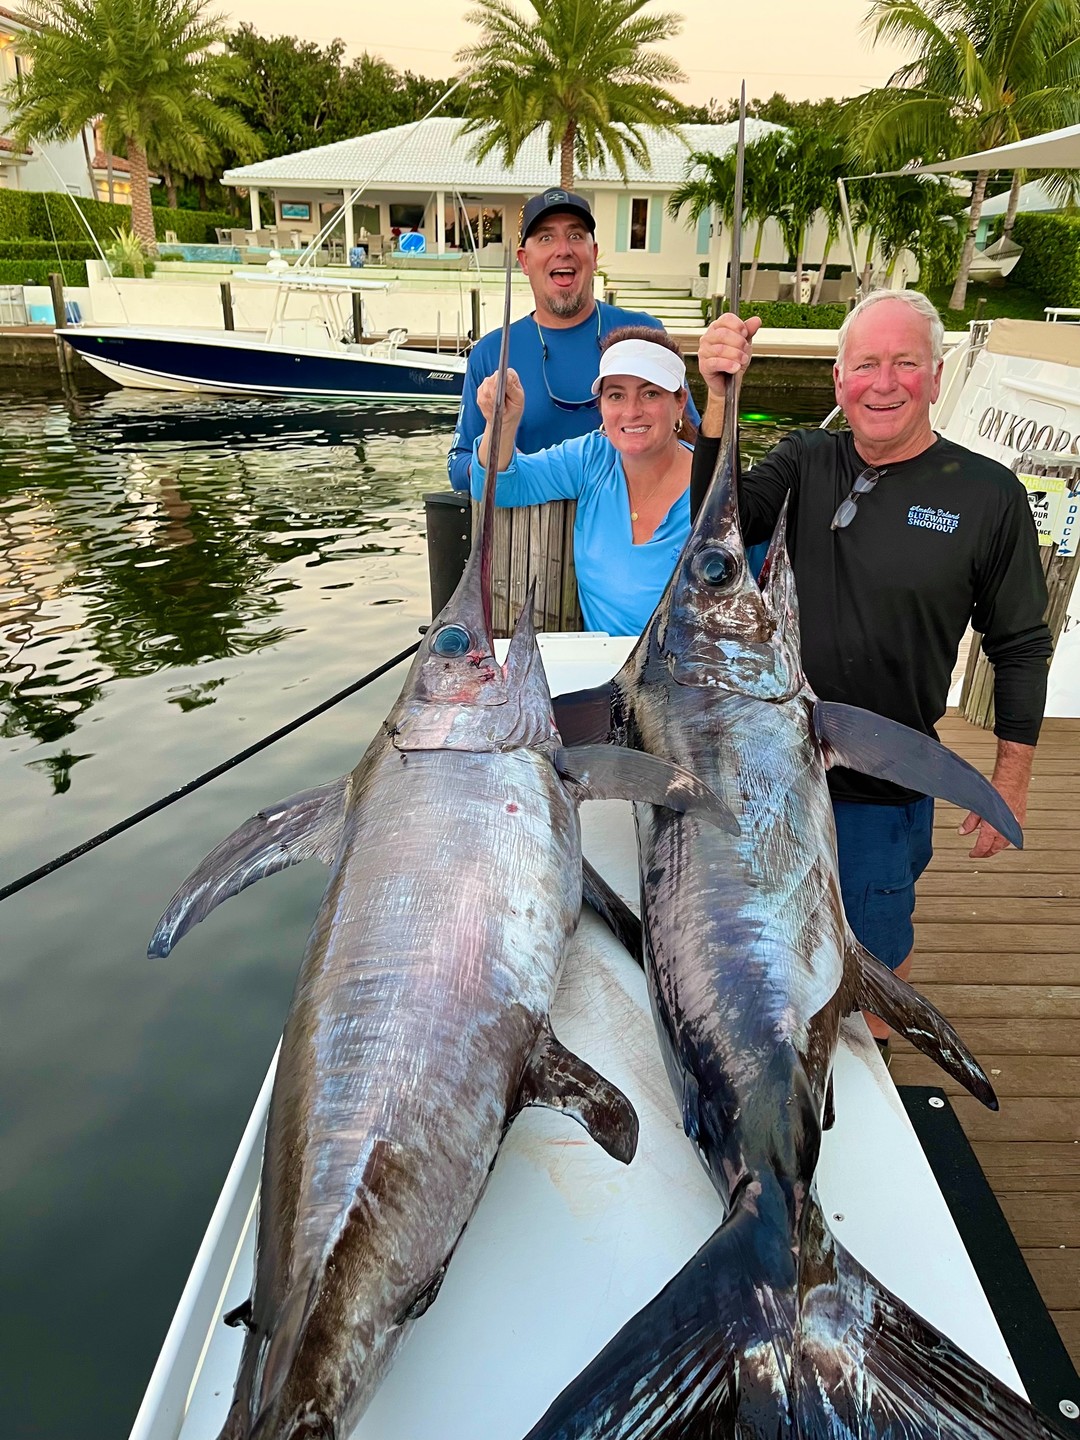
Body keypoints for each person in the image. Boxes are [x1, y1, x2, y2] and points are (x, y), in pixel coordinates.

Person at [693, 288, 1053, 1048]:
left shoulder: (988, 496)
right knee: (768, 948)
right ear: (837, 379)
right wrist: (716, 406)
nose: (882, 383)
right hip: (770, 770)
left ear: (936, 374)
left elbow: (1018, 644)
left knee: (873, 968)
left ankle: (874, 1069)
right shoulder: (804, 459)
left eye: (904, 364)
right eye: (865, 365)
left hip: (880, 788)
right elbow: (719, 525)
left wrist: (1009, 778)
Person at [470, 324, 747, 635]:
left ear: (680, 402)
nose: (631, 411)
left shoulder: (715, 483)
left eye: (650, 393)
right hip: (604, 673)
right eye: (616, 395)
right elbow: (496, 487)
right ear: (601, 405)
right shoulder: (592, 457)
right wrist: (502, 423)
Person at [448, 187, 699, 492]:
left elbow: (691, 440)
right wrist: (498, 440)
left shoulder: (644, 333)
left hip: (629, 530)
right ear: (524, 261)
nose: (563, 249)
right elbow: (458, 467)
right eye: (545, 237)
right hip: (528, 531)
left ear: (593, 255)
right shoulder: (491, 353)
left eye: (576, 236)